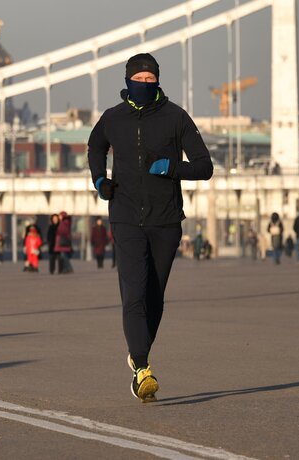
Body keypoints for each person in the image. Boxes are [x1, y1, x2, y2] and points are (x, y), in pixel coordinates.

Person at [88, 53, 213, 402]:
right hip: (126, 216)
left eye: (149, 79)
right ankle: (142, 368)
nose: (144, 84)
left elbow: (205, 166)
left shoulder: (176, 117)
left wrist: (172, 167)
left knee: (155, 296)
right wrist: (100, 179)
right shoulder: (112, 118)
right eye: (138, 79)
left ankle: (137, 350)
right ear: (127, 81)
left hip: (166, 219)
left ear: (157, 81)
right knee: (133, 292)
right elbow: (95, 146)